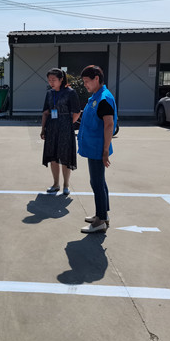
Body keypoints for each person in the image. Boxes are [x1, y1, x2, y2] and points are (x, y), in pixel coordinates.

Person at [77, 65, 117, 234]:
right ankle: (102, 215)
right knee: (99, 181)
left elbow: (109, 124)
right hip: (93, 146)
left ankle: (100, 220)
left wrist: (105, 150)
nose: (85, 84)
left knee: (97, 183)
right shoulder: (97, 96)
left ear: (97, 79)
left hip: (98, 148)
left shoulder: (103, 99)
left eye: (87, 81)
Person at [40, 68, 81, 196]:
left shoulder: (70, 93)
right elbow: (45, 112)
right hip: (52, 127)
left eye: (54, 79)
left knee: (65, 157)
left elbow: (77, 112)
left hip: (65, 128)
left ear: (61, 79)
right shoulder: (49, 93)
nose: (51, 82)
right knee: (53, 157)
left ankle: (66, 185)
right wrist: (43, 129)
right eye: (49, 80)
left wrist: (68, 124)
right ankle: (55, 184)